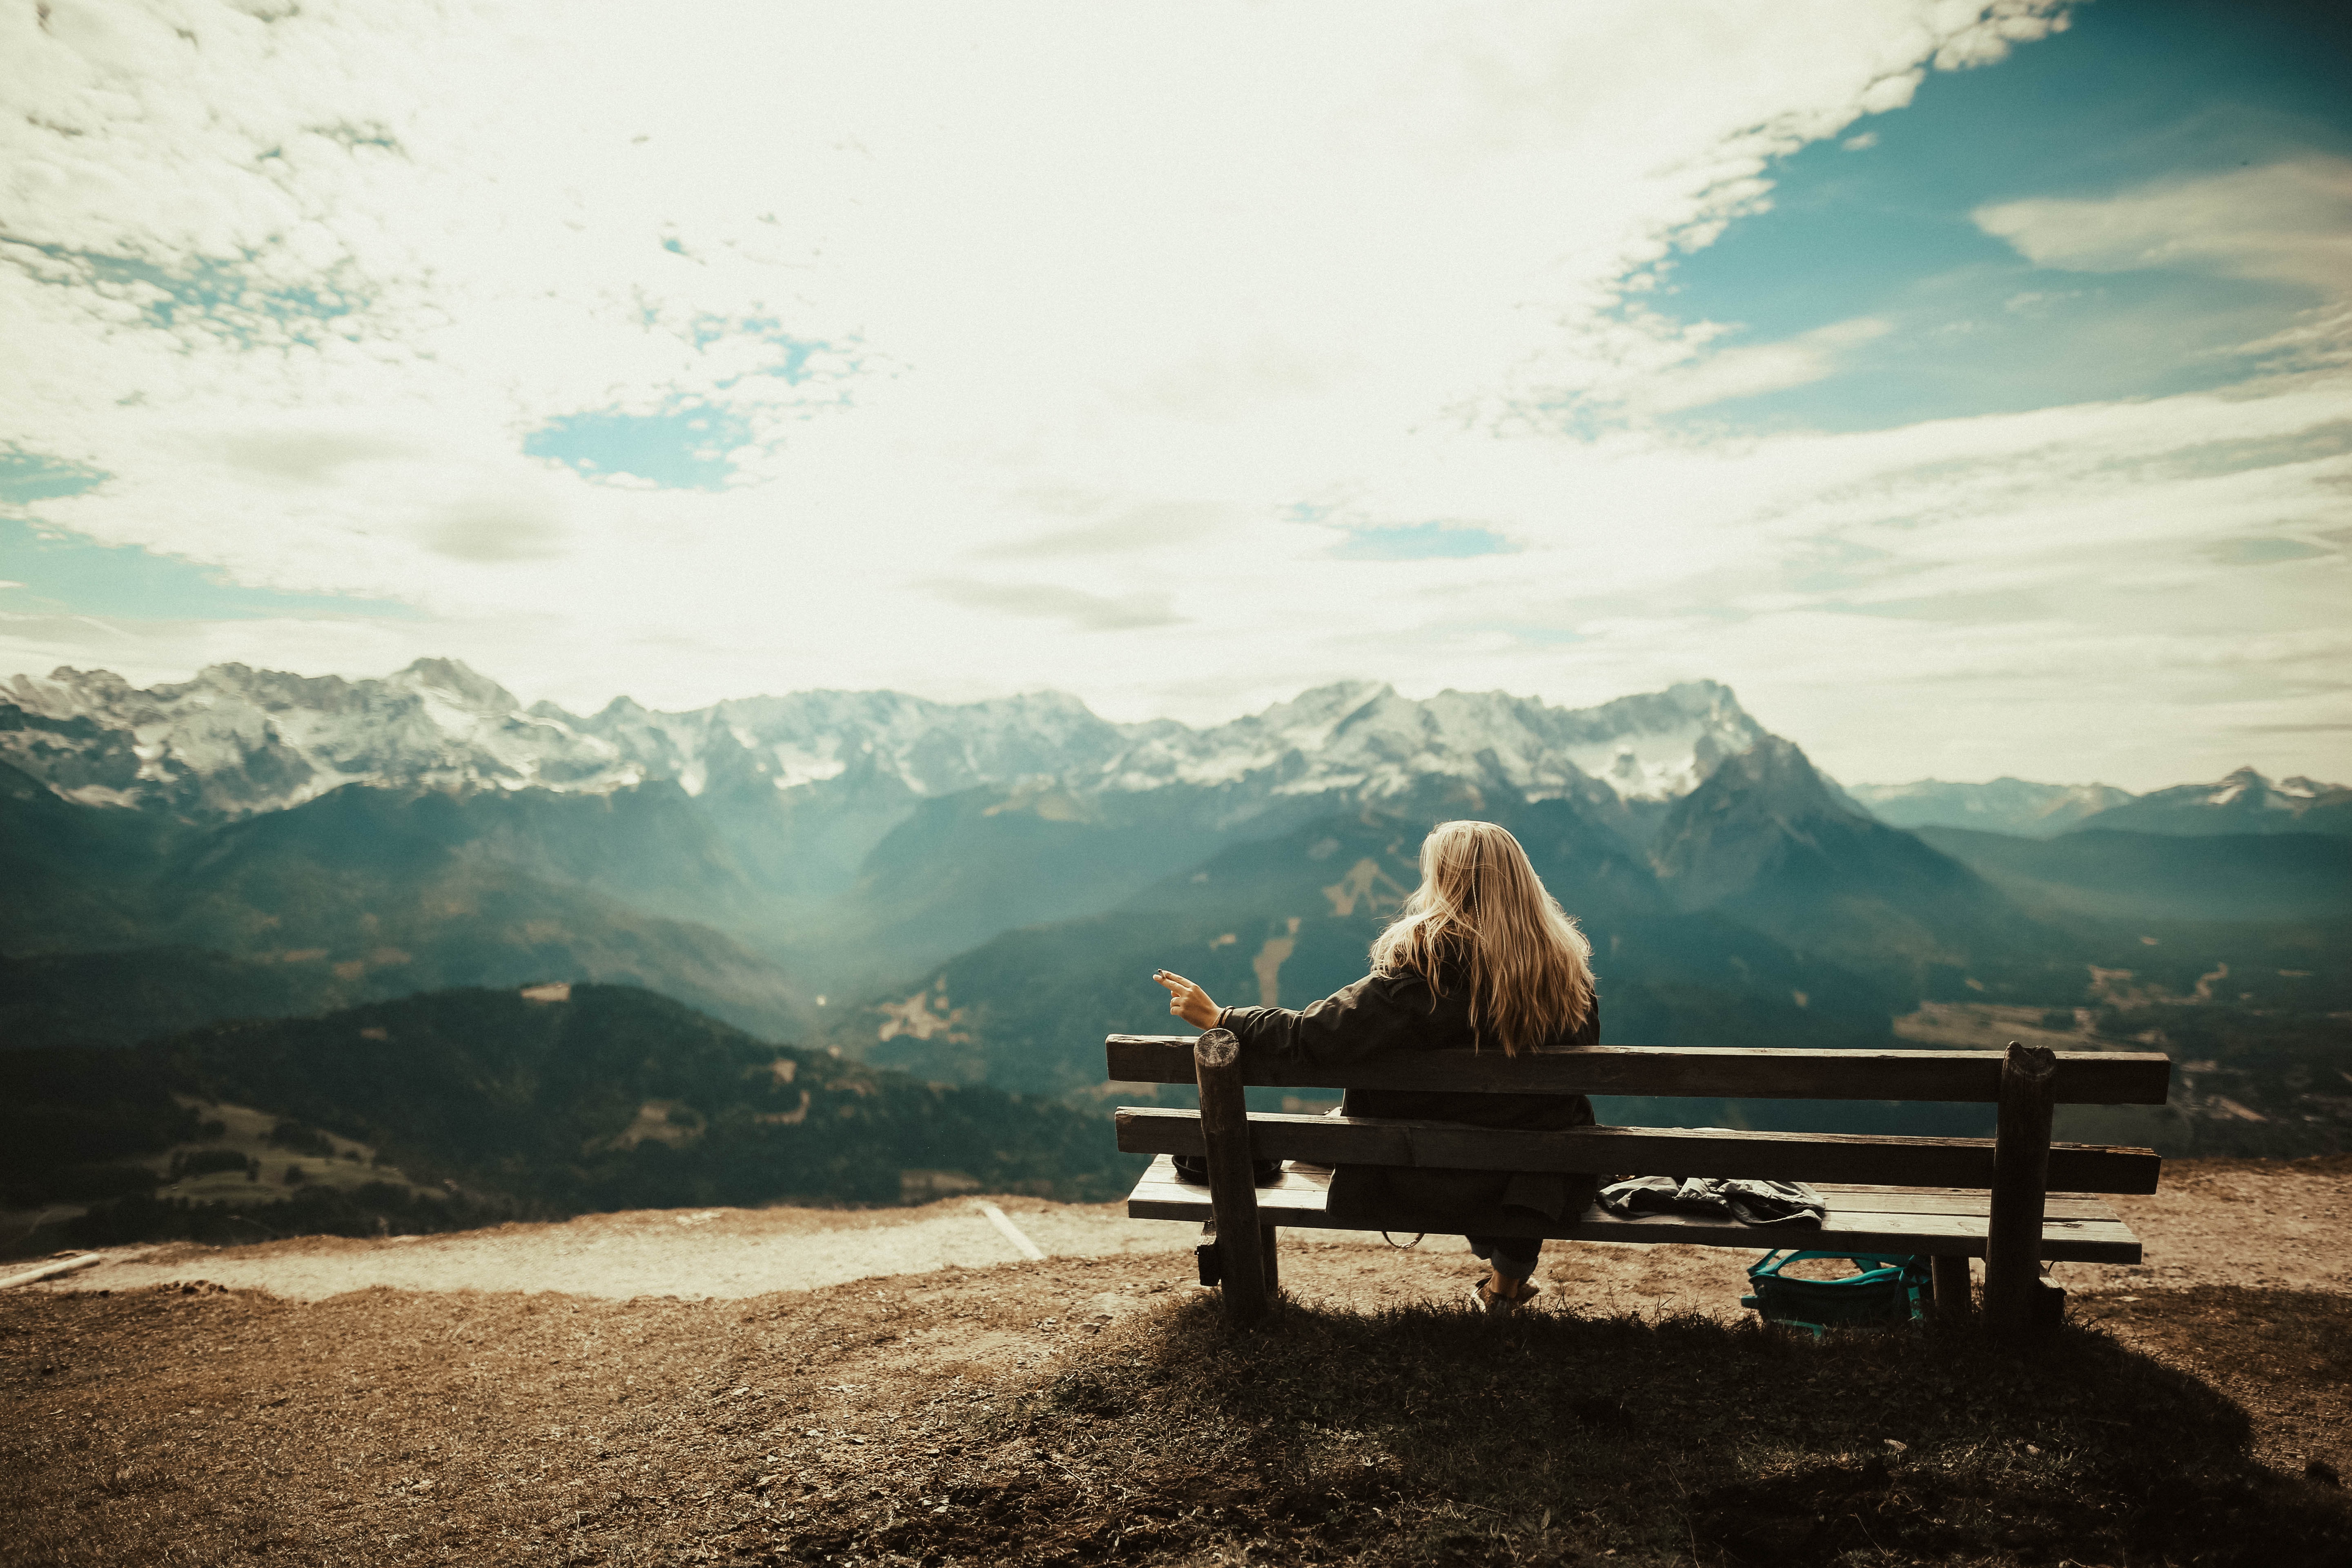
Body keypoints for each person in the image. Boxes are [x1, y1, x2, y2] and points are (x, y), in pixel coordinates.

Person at [1152, 819, 1599, 1316]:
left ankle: (1500, 1284)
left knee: (1318, 1137)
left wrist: (1221, 1018)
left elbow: (1316, 1036)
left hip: (1415, 1171)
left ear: (1445, 883)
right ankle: (1504, 1287)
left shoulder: (1427, 966)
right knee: (1524, 1135)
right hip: (1529, 1180)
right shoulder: (1567, 976)